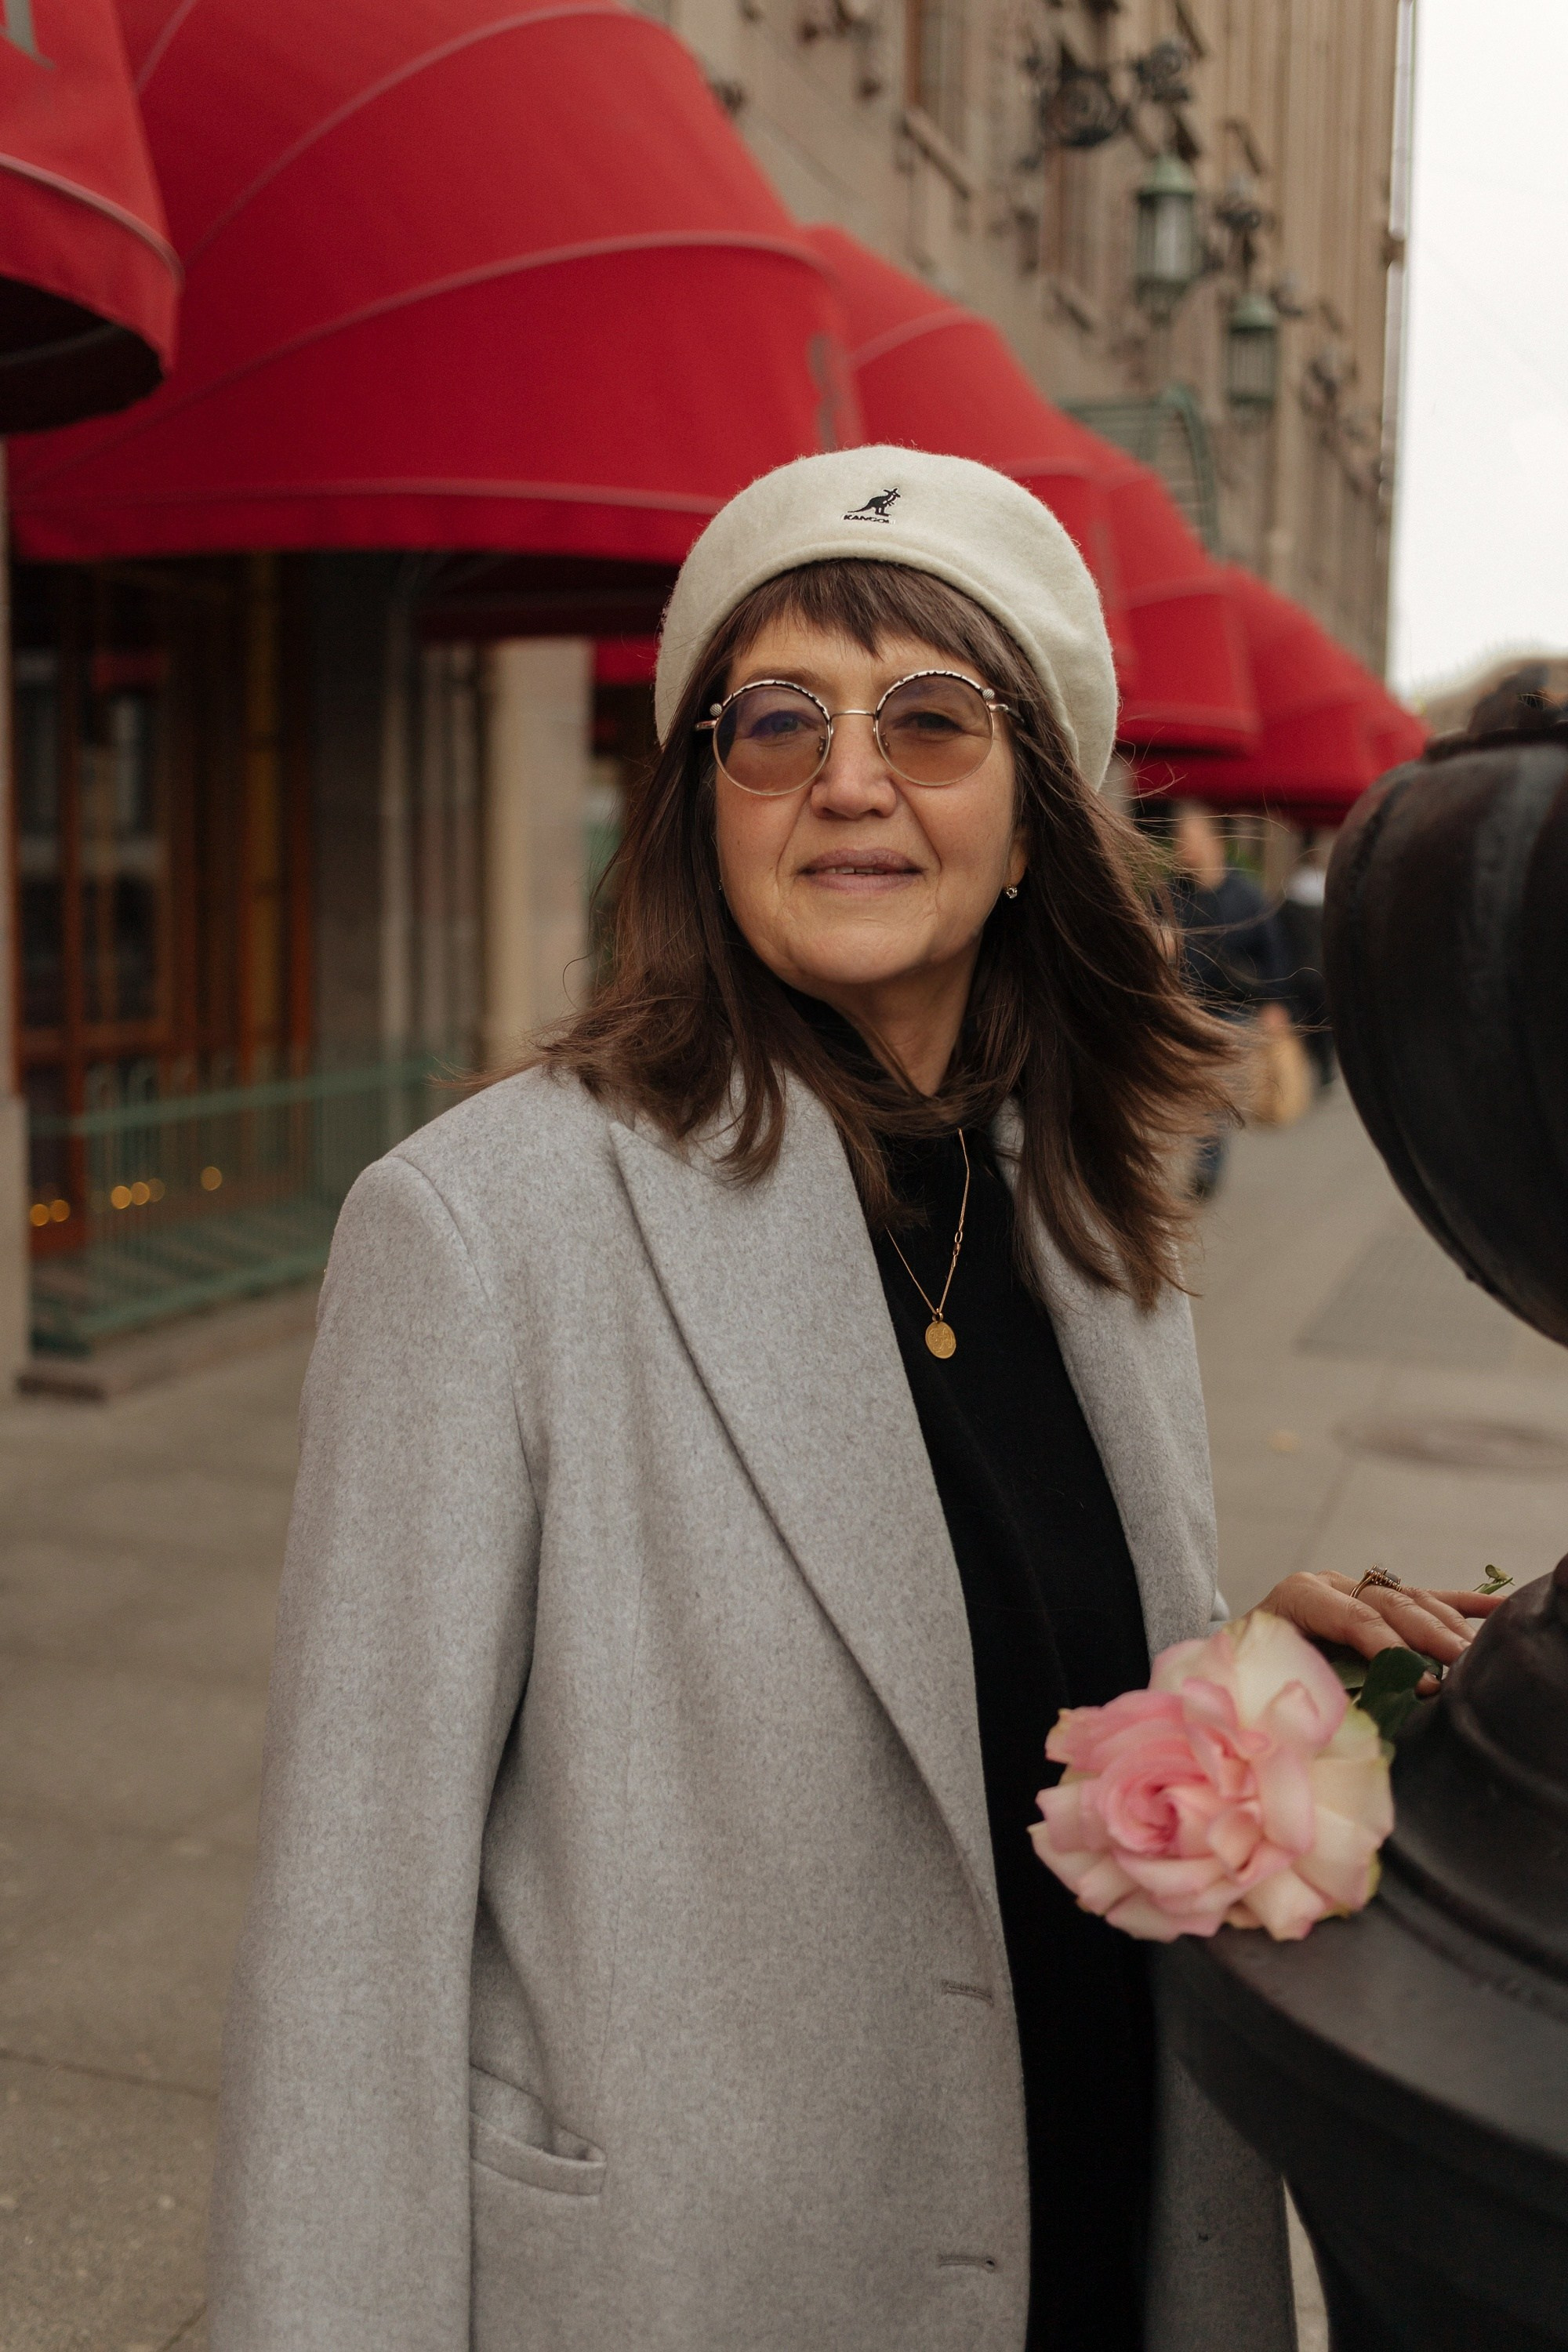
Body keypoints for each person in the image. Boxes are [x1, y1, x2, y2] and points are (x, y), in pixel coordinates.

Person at [209, 448, 1501, 2352]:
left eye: (928, 717)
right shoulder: (485, 1232)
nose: (849, 776)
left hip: (1096, 2223)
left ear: (1036, 806)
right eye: (776, 721)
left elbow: (977, 1695)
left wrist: (1233, 1699)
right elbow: (346, 1935)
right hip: (693, 2277)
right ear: (698, 799)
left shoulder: (1082, 1209)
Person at [1167, 803, 1293, 1196]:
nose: (1184, 847)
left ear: (1214, 840)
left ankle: (1206, 1171)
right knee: (1187, 1095)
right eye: (1179, 839)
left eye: (1191, 838)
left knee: (1212, 1096)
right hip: (1184, 1010)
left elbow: (1273, 954)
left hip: (1233, 1011)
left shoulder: (1247, 896)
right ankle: (1199, 1164)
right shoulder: (1169, 894)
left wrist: (1275, 1005)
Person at [1279, 837, 1335, 1089]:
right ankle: (1325, 1064)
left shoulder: (1291, 895)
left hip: (1300, 968)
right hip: (1322, 968)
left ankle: (1318, 1063)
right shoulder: (1328, 892)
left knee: (1307, 1020)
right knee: (1324, 1020)